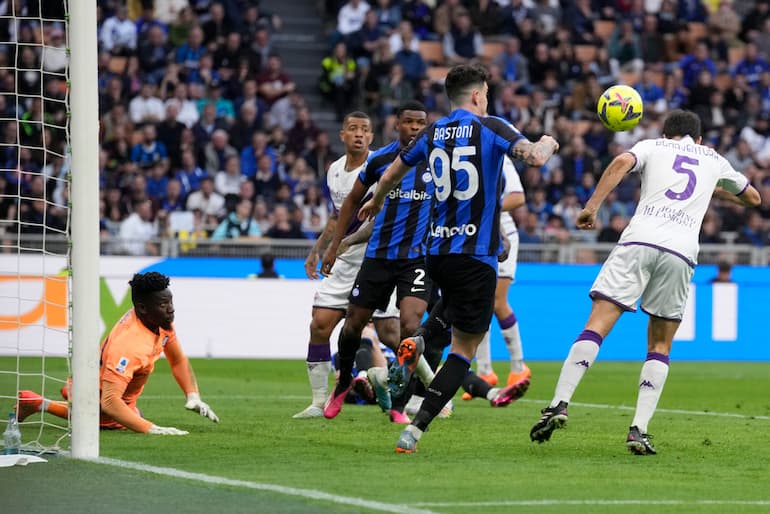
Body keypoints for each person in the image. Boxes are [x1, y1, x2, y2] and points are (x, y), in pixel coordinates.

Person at [529, 110, 761, 455]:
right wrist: (709, 189)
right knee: (660, 345)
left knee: (597, 326)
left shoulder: (653, 146)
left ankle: (558, 404)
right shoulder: (713, 159)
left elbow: (621, 162)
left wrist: (592, 207)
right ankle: (639, 429)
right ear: (698, 139)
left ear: (667, 134)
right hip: (681, 252)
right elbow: (753, 198)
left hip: (639, 240)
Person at [358, 64, 559, 452]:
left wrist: (377, 200)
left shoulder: (432, 132)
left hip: (435, 253)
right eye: (486, 94)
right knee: (463, 351)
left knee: (446, 311)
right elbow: (534, 157)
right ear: (478, 95)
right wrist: (549, 142)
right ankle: (414, 431)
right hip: (475, 255)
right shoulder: (491, 127)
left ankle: (418, 341)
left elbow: (392, 173)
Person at [320, 101, 438, 423]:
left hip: (416, 260)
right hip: (378, 258)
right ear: (396, 124)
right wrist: (334, 246)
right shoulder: (380, 160)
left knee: (411, 329)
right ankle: (344, 381)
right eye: (409, 122)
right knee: (353, 325)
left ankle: (398, 402)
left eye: (420, 123)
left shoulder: (437, 161)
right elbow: (350, 203)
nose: (415, 128)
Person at [16, 272, 219, 435]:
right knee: (115, 419)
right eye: (163, 304)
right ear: (142, 308)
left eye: (170, 302)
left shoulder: (158, 321)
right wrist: (151, 428)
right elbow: (110, 402)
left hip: (102, 385)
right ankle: (41, 403)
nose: (171, 309)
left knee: (130, 414)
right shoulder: (130, 346)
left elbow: (177, 360)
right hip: (93, 390)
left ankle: (49, 402)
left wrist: (193, 396)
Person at [294, 111, 400, 420]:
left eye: (364, 129)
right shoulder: (334, 171)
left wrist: (346, 243)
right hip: (343, 262)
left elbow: (382, 218)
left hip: (376, 259)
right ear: (342, 135)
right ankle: (318, 402)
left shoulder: (382, 168)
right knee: (319, 325)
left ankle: (428, 392)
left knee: (392, 334)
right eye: (352, 128)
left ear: (371, 137)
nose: (358, 134)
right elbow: (336, 216)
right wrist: (317, 250)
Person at [462, 150, 531, 401]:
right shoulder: (463, 155)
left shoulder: (500, 158)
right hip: (473, 234)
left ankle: (518, 366)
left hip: (502, 235)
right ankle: (485, 371)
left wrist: (485, 207)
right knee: (478, 303)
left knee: (497, 302)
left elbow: (518, 197)